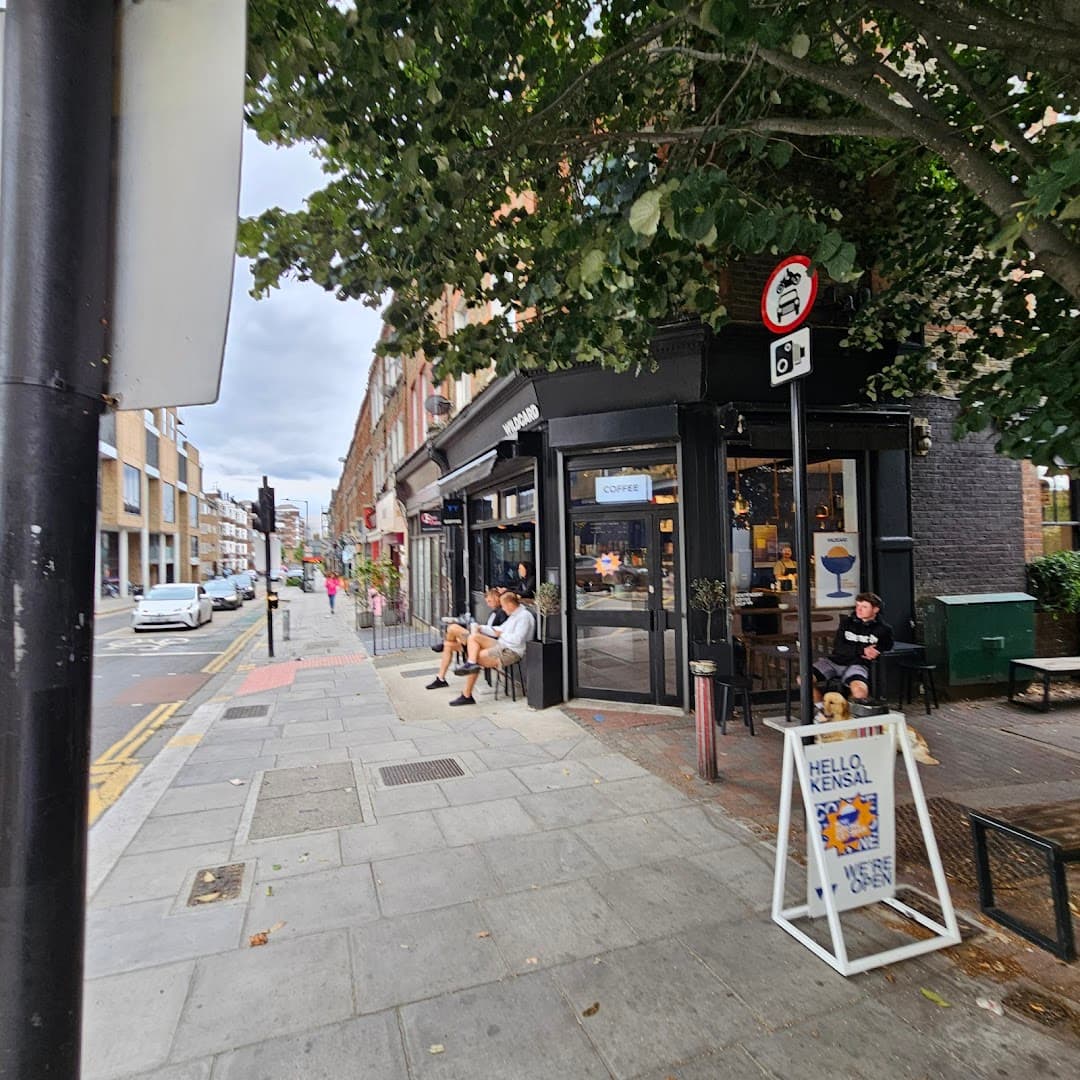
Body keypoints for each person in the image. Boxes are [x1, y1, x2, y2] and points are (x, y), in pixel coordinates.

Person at [448, 592, 535, 706]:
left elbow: (517, 639)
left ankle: (466, 694)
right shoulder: (514, 615)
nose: (503, 609)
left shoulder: (524, 617)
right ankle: (471, 664)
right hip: (502, 645)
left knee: (477, 657)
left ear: (509, 604)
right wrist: (481, 628)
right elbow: (499, 629)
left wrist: (501, 634)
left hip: (511, 651)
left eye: (503, 606)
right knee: (474, 637)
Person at [812, 591, 893, 703]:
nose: (859, 609)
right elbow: (838, 647)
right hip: (835, 661)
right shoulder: (847, 623)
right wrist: (862, 650)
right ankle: (821, 709)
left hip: (858, 665)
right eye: (857, 606)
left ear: (875, 609)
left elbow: (887, 644)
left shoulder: (884, 628)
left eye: (864, 607)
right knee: (804, 679)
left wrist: (877, 650)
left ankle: (850, 714)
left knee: (859, 692)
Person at [426, 587, 506, 690]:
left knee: (453, 628)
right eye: (487, 602)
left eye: (489, 601)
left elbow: (498, 632)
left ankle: (445, 641)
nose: (488, 604)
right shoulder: (493, 613)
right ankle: (440, 679)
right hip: (478, 639)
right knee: (448, 645)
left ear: (497, 598)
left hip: (483, 642)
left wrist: (480, 630)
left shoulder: (502, 612)